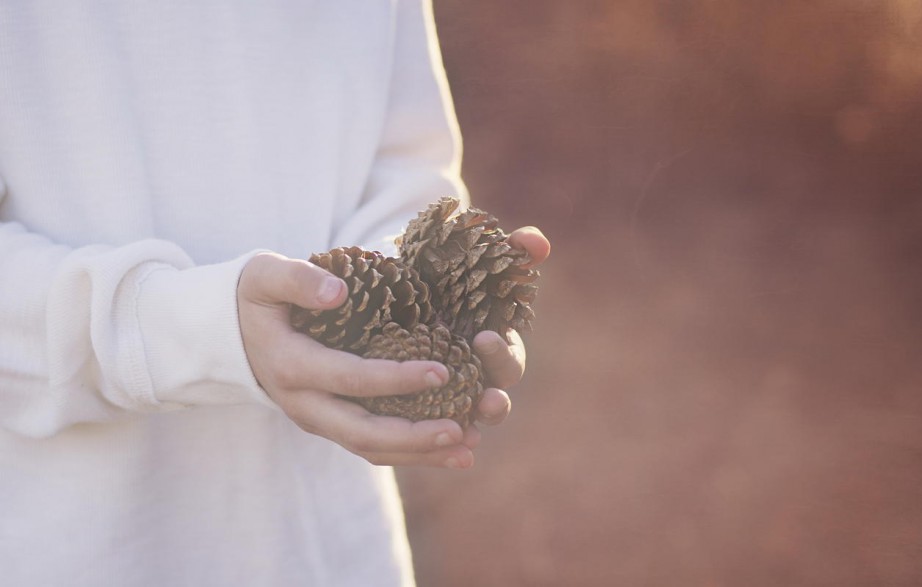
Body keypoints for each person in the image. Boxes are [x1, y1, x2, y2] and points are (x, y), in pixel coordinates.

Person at [0, 1, 550, 585]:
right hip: (79, 547)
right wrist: (195, 332)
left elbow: (406, 164)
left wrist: (421, 299)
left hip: (330, 548)